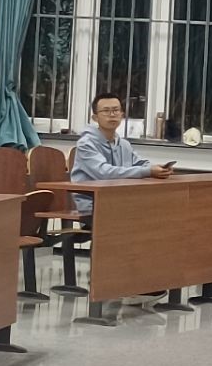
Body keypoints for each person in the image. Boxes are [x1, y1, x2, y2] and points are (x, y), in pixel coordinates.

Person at [71, 91, 173, 306]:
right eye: (106, 111)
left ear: (122, 114)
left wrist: (156, 168)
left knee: (158, 222)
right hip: (93, 206)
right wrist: (147, 172)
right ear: (95, 117)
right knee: (132, 225)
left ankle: (142, 282)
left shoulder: (122, 143)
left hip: (120, 205)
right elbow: (104, 172)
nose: (112, 115)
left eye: (116, 110)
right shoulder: (86, 144)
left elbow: (139, 164)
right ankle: (121, 285)